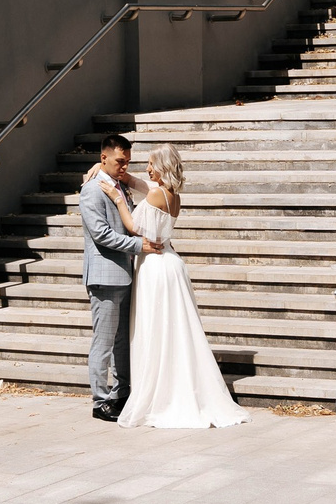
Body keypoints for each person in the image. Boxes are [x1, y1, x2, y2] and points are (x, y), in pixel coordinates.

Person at [104, 144, 248, 429]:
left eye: (151, 164)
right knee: (174, 329)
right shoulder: (172, 195)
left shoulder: (157, 193)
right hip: (169, 262)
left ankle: (161, 392)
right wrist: (112, 173)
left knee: (156, 328)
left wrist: (117, 198)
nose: (147, 169)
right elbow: (138, 182)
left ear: (162, 167)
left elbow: (134, 227)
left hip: (155, 266)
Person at [78, 134, 157, 422]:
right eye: (119, 161)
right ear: (104, 158)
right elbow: (101, 234)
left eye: (127, 162)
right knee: (104, 341)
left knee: (123, 340)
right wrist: (140, 246)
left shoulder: (119, 185)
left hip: (125, 274)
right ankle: (100, 402)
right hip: (104, 276)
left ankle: (122, 393)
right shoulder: (91, 191)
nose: (124, 167)